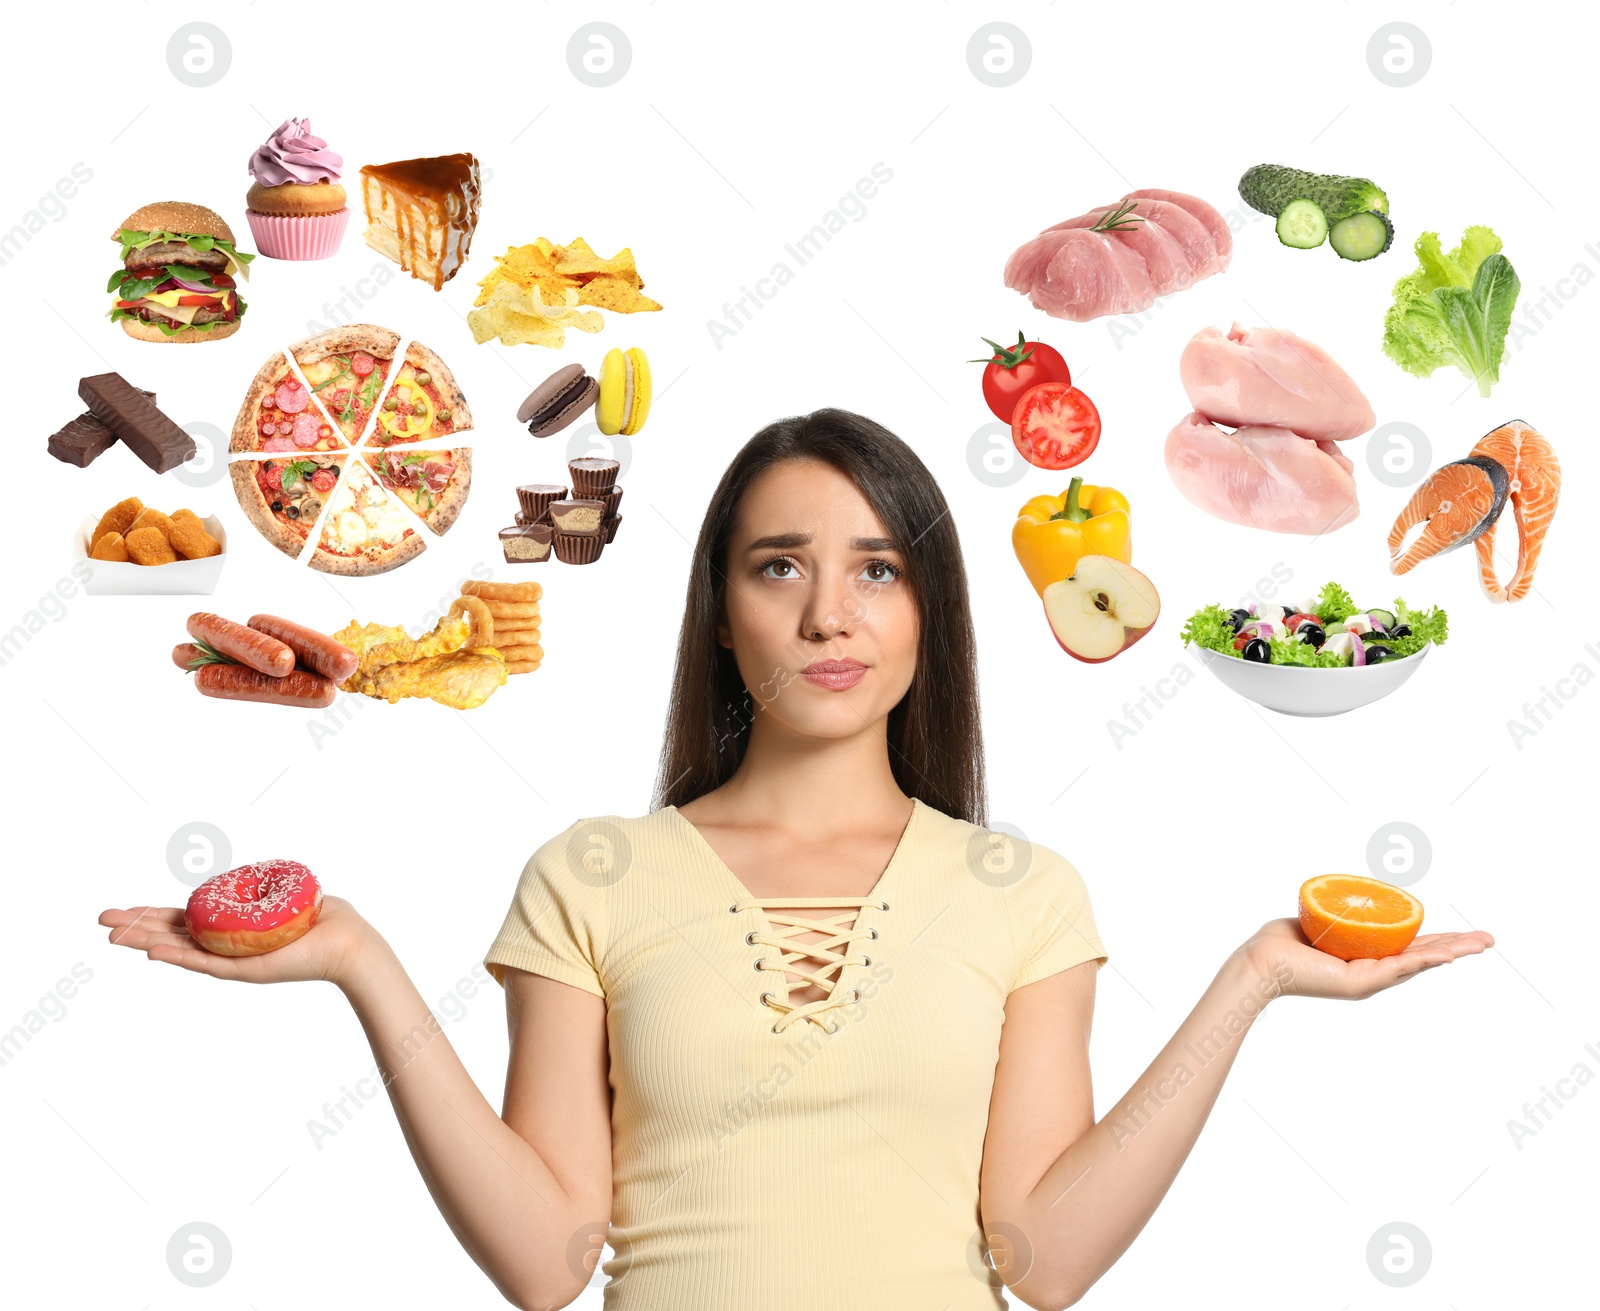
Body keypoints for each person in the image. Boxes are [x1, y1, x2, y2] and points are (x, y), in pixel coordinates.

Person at [100, 408, 1493, 1310]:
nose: (832, 612)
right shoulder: (590, 879)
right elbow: (546, 1260)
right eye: (780, 566)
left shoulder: (1027, 899)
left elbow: (1044, 1258)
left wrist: (1252, 979)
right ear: (719, 611)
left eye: (879, 569)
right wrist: (359, 962)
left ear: (930, 612)